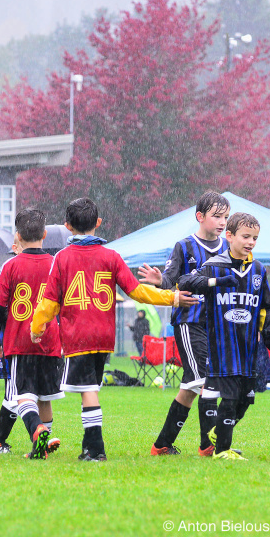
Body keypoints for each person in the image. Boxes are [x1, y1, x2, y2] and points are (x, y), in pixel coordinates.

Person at [31, 198, 194, 462]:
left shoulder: (61, 258)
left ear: (67, 226)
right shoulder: (111, 256)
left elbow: (50, 301)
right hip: (104, 336)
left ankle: (95, 448)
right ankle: (90, 446)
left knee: (88, 391)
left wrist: (37, 326)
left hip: (78, 335)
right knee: (91, 387)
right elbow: (138, 291)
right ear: (98, 223)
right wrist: (172, 297)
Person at [178, 212, 270, 461]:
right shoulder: (215, 265)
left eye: (255, 238)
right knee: (230, 397)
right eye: (245, 236)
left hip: (248, 349)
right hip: (221, 349)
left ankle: (219, 433)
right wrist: (215, 282)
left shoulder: (258, 270)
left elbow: (267, 308)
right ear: (229, 236)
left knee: (246, 399)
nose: (250, 242)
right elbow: (185, 281)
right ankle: (222, 450)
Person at [137, 191, 230, 456]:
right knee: (205, 382)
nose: (222, 222)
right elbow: (169, 280)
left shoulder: (227, 248)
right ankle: (208, 445)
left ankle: (162, 444)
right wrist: (160, 280)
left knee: (190, 388)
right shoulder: (184, 246)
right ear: (200, 217)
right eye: (217, 216)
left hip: (216, 325)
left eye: (225, 217)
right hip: (190, 323)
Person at [0, 208, 62, 459]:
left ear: (17, 236)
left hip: (20, 342)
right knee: (45, 398)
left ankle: (36, 430)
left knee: (22, 397)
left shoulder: (11, 266)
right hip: (50, 342)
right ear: (46, 234)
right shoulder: (55, 265)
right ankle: (41, 447)